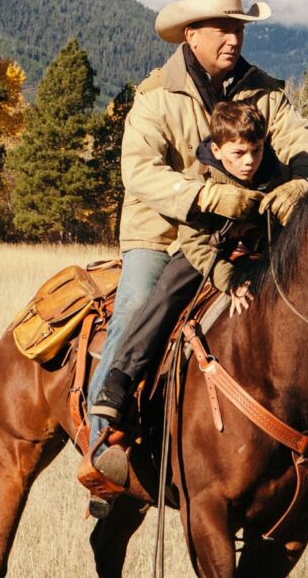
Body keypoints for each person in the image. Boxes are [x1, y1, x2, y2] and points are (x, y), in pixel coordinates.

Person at [80, 0, 308, 511]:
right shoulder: (156, 96)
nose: (233, 37)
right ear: (191, 34)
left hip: (254, 231)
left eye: (239, 27)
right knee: (137, 306)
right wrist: (209, 198)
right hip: (167, 234)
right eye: (222, 27)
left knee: (307, 310)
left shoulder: (264, 92)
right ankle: (104, 439)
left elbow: (302, 142)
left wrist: (301, 182)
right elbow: (140, 173)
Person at [90, 100, 285, 425]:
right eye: (239, 154)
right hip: (206, 254)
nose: (250, 161)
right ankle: (120, 379)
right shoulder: (206, 179)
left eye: (257, 151)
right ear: (219, 150)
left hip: (258, 255)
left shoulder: (272, 175)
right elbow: (195, 245)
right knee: (166, 293)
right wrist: (230, 280)